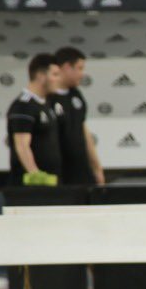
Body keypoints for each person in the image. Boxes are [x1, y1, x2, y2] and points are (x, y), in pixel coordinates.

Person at [49, 46, 104, 186]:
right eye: (80, 68)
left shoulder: (76, 95)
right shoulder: (47, 98)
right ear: (67, 67)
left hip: (81, 171)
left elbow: (83, 130)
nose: (82, 74)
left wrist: (96, 166)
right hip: (59, 172)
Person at [7, 53, 62, 186]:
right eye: (55, 74)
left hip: (52, 181)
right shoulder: (23, 106)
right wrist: (35, 175)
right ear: (41, 76)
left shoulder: (47, 103)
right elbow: (21, 145)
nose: (59, 79)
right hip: (32, 186)